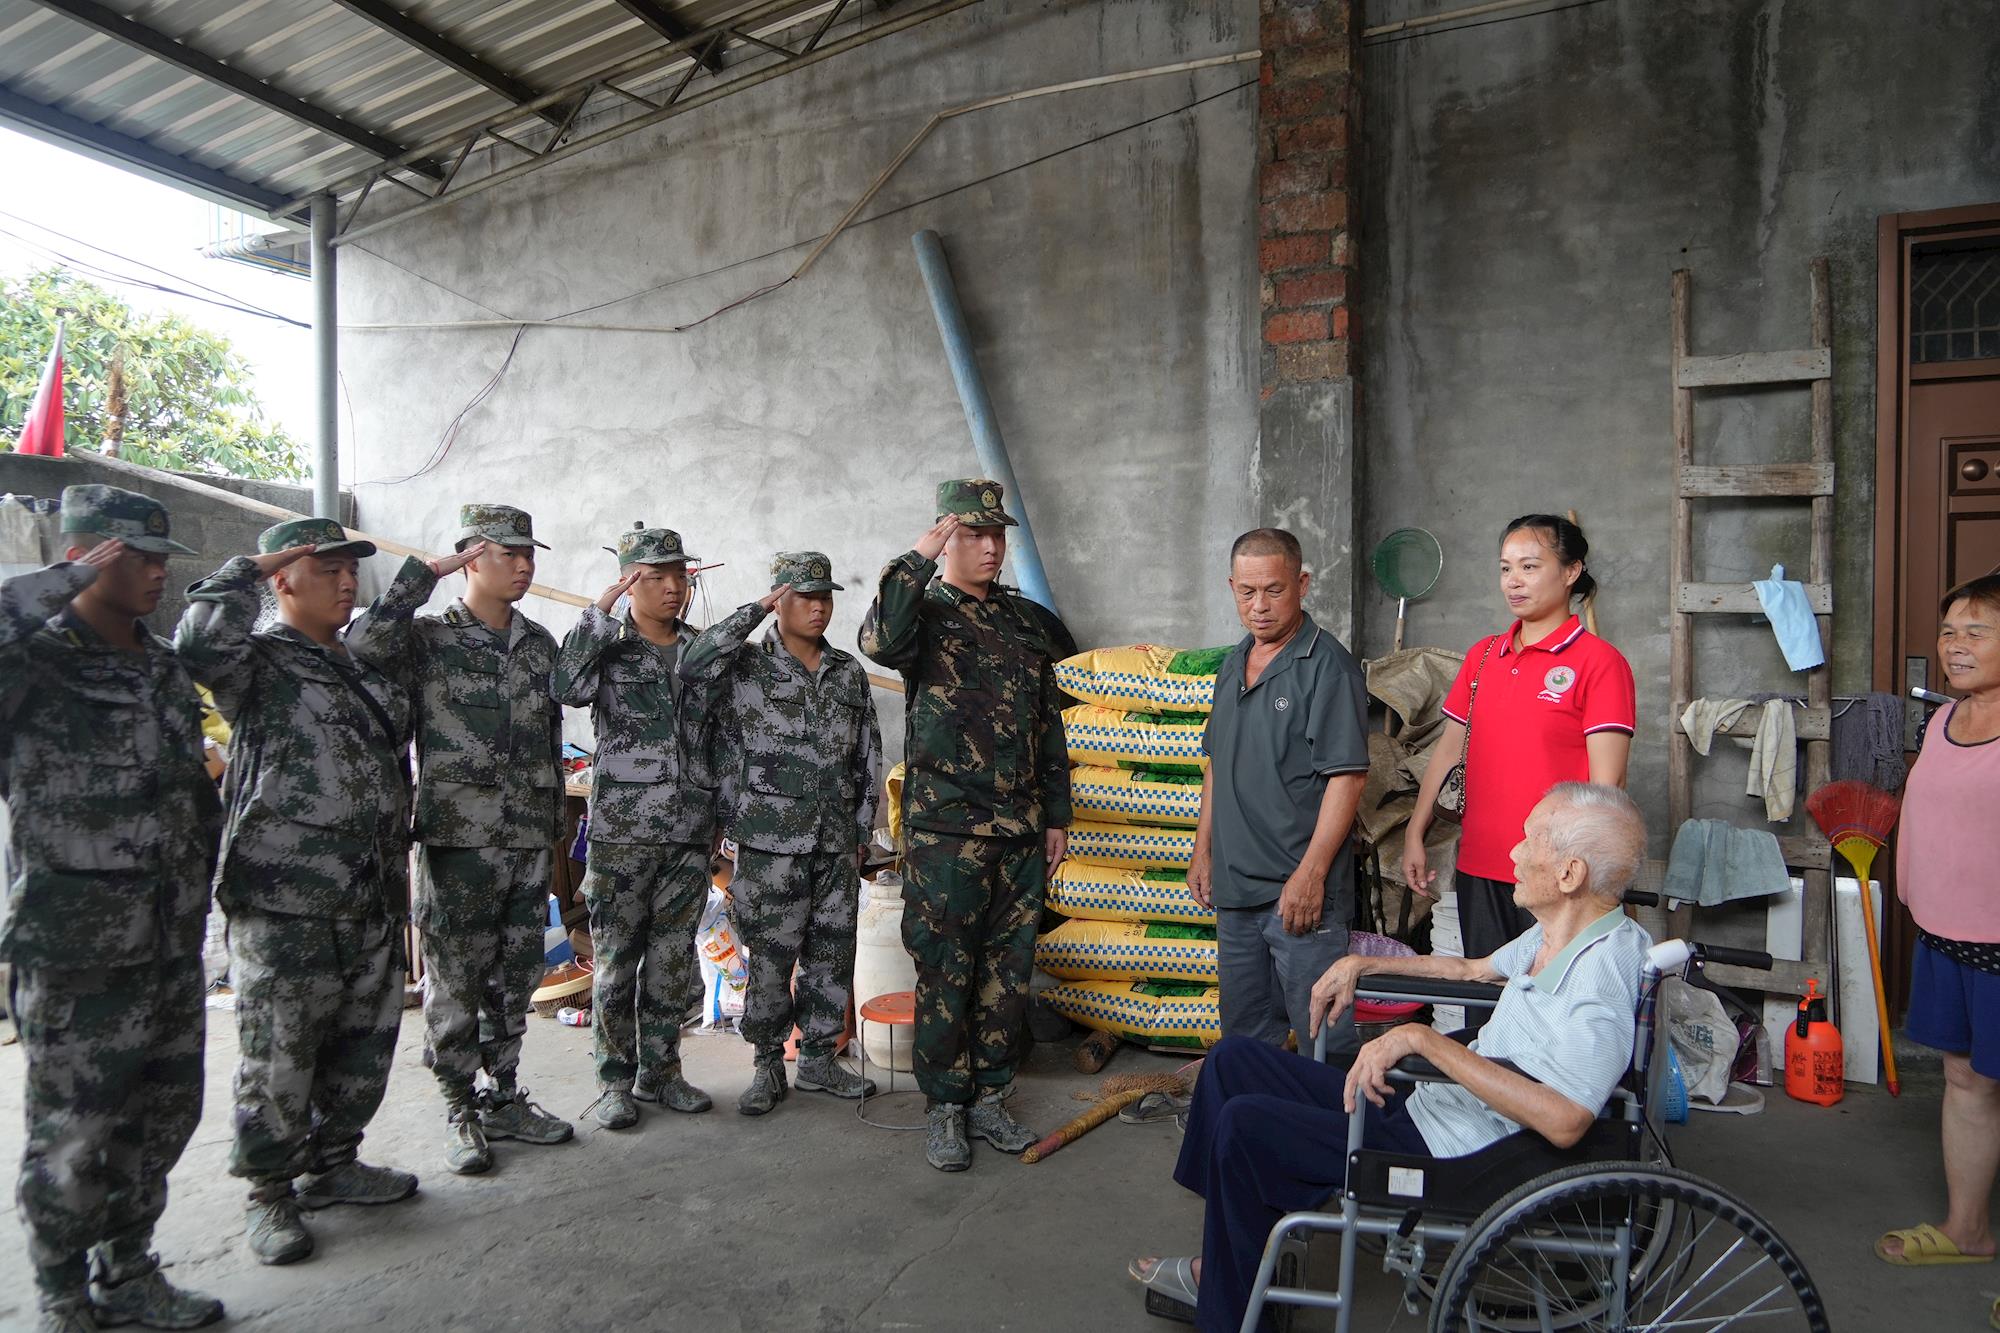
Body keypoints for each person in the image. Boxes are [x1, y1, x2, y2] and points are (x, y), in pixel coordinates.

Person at [1133, 783, 1652, 1331]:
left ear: (1570, 874)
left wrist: (1423, 1040)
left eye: (1530, 841)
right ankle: (1231, 1258)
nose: (1514, 853)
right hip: (1433, 1108)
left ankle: (1231, 1303)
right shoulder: (1560, 934)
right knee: (1233, 1061)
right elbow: (1469, 970)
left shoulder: (1598, 977)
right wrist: (1363, 964)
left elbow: (1567, 1119)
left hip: (1456, 1154)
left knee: (1244, 1126)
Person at [2, 487, 224, 1332]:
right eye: (136, 555)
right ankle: (62, 1293)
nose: (157, 571)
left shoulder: (162, 665)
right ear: (84, 554)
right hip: (78, 944)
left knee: (164, 1111)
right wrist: (54, 584)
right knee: (75, 1127)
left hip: (170, 932)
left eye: (163, 557)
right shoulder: (34, 660)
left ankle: (129, 1266)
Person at [176, 518, 421, 1268]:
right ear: (283, 578)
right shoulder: (255, 662)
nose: (347, 582)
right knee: (280, 1052)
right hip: (286, 895)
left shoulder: (362, 666)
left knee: (363, 1042)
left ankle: (336, 1162)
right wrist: (253, 565)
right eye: (327, 569)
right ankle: (270, 1191)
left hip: (370, 888)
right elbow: (196, 642)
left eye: (351, 571)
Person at [347, 505, 573, 1174]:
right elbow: (362, 647)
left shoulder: (539, 644)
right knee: (456, 978)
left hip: (527, 837)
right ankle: (458, 1105)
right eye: (509, 553)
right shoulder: (428, 638)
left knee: (517, 973)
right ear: (472, 558)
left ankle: (504, 1094)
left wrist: (549, 826)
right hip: (458, 840)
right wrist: (424, 575)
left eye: (530, 554)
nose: (525, 565)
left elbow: (552, 735)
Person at [859, 478, 1069, 1172]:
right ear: (947, 537)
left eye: (996, 534)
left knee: (1007, 972)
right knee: (946, 969)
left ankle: (991, 1098)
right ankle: (946, 1106)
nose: (989, 547)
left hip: (1019, 829)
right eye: (974, 534)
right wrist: (917, 557)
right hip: (947, 832)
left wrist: (1056, 815)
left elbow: (1049, 725)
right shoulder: (922, 613)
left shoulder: (1026, 621)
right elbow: (876, 640)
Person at [681, 551, 883, 1114]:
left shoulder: (846, 670)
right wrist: (752, 611)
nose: (819, 607)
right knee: (770, 958)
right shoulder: (745, 666)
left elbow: (869, 751)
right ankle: (768, 1063)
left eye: (825, 597)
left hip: (835, 840)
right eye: (804, 596)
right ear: (779, 601)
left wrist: (862, 827)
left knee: (832, 954)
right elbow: (693, 664)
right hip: (770, 843)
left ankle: (818, 1059)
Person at [1403, 514, 1635, 974]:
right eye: (1506, 568)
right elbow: (1448, 752)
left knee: (1549, 1005)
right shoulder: (1483, 656)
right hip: (1479, 865)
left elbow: (1607, 788)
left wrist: (1581, 876)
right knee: (1483, 1002)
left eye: (1530, 567)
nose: (1514, 581)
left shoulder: (1600, 663)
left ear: (1571, 571)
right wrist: (1415, 831)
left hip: (1558, 878)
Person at [553, 524, 715, 1129]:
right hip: (623, 833)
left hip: (688, 830)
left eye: (681, 575)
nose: (674, 587)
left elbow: (722, 734)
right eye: (657, 576)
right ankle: (614, 1080)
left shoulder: (701, 649)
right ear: (629, 581)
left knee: (672, 960)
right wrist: (598, 613)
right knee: (617, 961)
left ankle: (662, 1072)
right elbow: (565, 687)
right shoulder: (609, 647)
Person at [1191, 528, 1370, 1055]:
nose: (1260, 606)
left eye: (1274, 590)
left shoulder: (1327, 666)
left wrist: (1311, 876)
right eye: (1247, 592)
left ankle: (1332, 1113)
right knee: (1245, 1037)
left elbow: (1348, 778)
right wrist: (1203, 850)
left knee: (1324, 1041)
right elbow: (1216, 763)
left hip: (1298, 893)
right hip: (1235, 891)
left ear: (1303, 584)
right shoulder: (1233, 662)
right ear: (1231, 587)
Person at [1876, 572, 2000, 1309]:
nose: (1956, 645)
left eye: (1976, 631)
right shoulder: (1944, 720)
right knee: (1965, 1080)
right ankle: (1968, 1228)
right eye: (1950, 630)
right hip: (1947, 934)